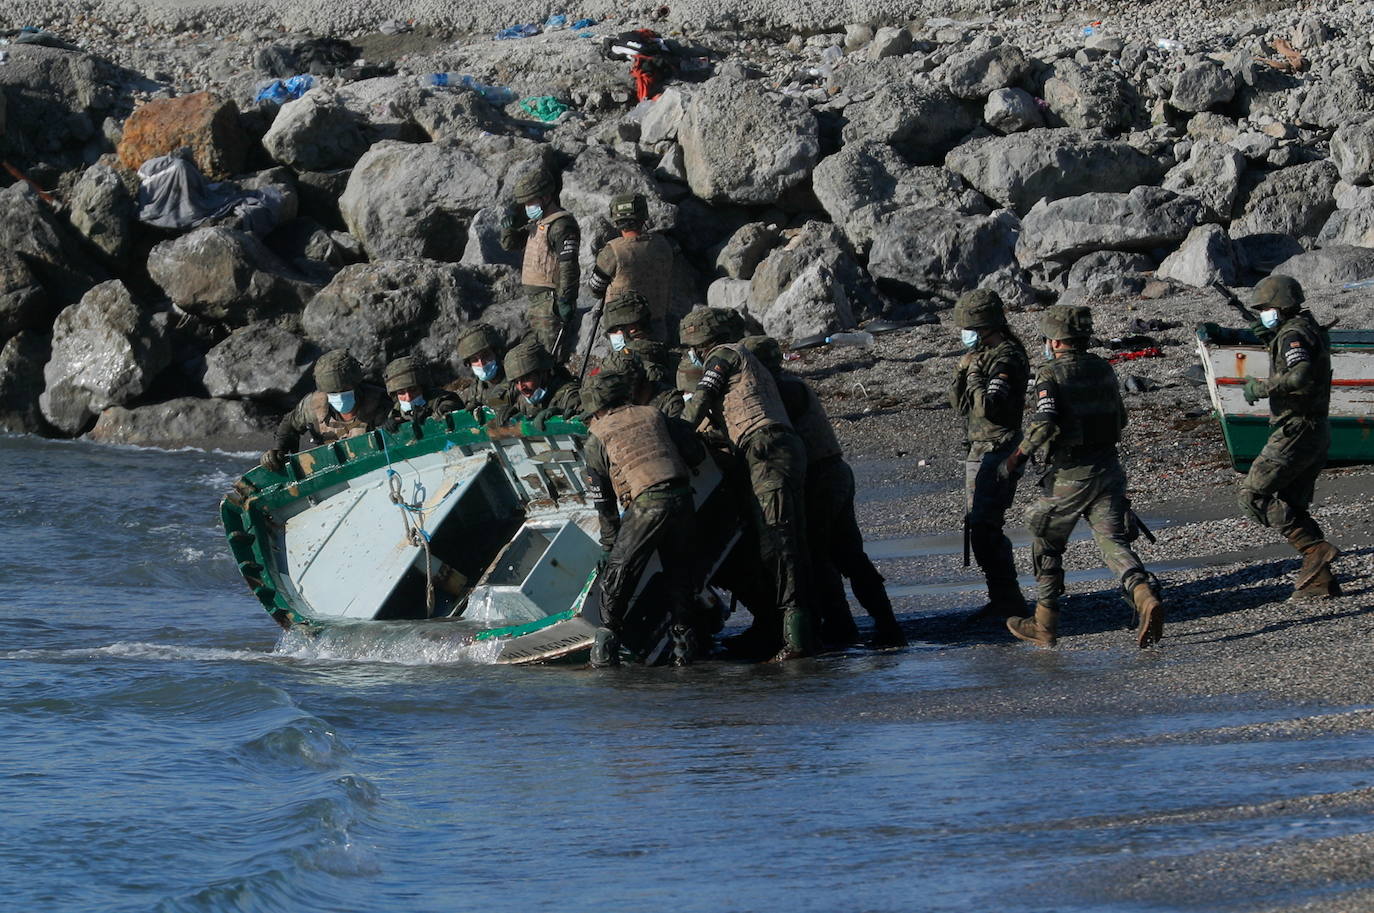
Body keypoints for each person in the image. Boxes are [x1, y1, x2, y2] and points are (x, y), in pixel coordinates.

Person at [998, 304, 1166, 649]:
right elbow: (1121, 419)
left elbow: (1044, 423)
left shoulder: (1051, 374)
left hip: (1071, 475)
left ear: (1056, 341)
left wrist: (1017, 456)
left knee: (1045, 537)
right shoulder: (1104, 368)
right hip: (1109, 468)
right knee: (1112, 542)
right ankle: (1143, 594)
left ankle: (1045, 622)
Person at [743, 335, 907, 648]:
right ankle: (884, 627)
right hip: (833, 473)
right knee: (848, 555)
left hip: (820, 478)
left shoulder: (781, 391)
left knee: (819, 556)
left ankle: (841, 626)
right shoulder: (790, 384)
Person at [679, 307, 813, 661]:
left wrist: (674, 435)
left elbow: (701, 402)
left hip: (766, 449)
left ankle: (796, 641)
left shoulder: (724, 355)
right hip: (771, 449)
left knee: (779, 542)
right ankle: (786, 631)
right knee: (781, 541)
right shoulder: (746, 359)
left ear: (701, 343)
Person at [581, 365, 705, 667]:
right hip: (682, 498)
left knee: (618, 576)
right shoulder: (654, 414)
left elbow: (605, 505)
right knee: (679, 575)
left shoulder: (596, 437)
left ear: (594, 408)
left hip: (648, 504)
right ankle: (684, 651)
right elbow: (695, 453)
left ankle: (604, 654)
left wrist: (610, 548)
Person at [1237, 275, 1340, 598]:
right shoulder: (1306, 329)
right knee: (1293, 504)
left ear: (1280, 306)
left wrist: (1261, 387)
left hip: (1295, 429)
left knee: (1253, 496)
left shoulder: (1293, 334)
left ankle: (1315, 549)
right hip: (1317, 429)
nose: (1264, 312)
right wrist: (1272, 337)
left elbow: (1300, 373)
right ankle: (1320, 583)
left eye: (1266, 307)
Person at [948, 289, 1032, 622]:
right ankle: (1000, 597)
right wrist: (965, 368)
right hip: (979, 448)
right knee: (978, 525)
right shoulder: (981, 355)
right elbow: (960, 404)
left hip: (1000, 448)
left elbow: (990, 407)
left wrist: (973, 374)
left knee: (986, 525)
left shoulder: (1006, 357)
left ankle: (1008, 600)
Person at [500, 166, 580, 361]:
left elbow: (568, 266)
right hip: (535, 303)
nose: (528, 206)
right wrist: (508, 229)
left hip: (550, 303)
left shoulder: (561, 225)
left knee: (550, 359)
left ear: (545, 197)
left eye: (531, 201)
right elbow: (510, 245)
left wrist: (565, 299)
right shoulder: (538, 223)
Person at [261, 349, 389, 471]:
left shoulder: (379, 402)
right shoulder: (314, 405)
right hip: (334, 470)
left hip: (377, 465)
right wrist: (279, 450)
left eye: (345, 390)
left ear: (356, 385)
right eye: (333, 392)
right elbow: (290, 424)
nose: (339, 396)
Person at [588, 194, 674, 342]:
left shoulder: (613, 251)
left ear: (616, 220)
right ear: (643, 216)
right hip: (657, 322)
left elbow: (595, 289)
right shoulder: (663, 244)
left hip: (623, 327)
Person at [494, 339, 582, 428]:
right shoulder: (522, 401)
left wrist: (561, 415)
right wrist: (504, 412)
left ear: (543, 373)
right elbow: (493, 402)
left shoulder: (569, 395)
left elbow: (589, 418)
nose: (521, 387)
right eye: (516, 382)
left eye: (526, 378)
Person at [380, 356, 464, 433]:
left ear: (422, 387)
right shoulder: (397, 411)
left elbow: (450, 405)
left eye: (413, 390)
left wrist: (430, 415)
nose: (408, 397)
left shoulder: (439, 399)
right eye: (401, 393)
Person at [449, 322, 509, 418]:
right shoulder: (476, 390)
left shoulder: (515, 378)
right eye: (474, 360)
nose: (481, 363)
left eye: (486, 355)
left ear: (496, 352)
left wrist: (488, 402)